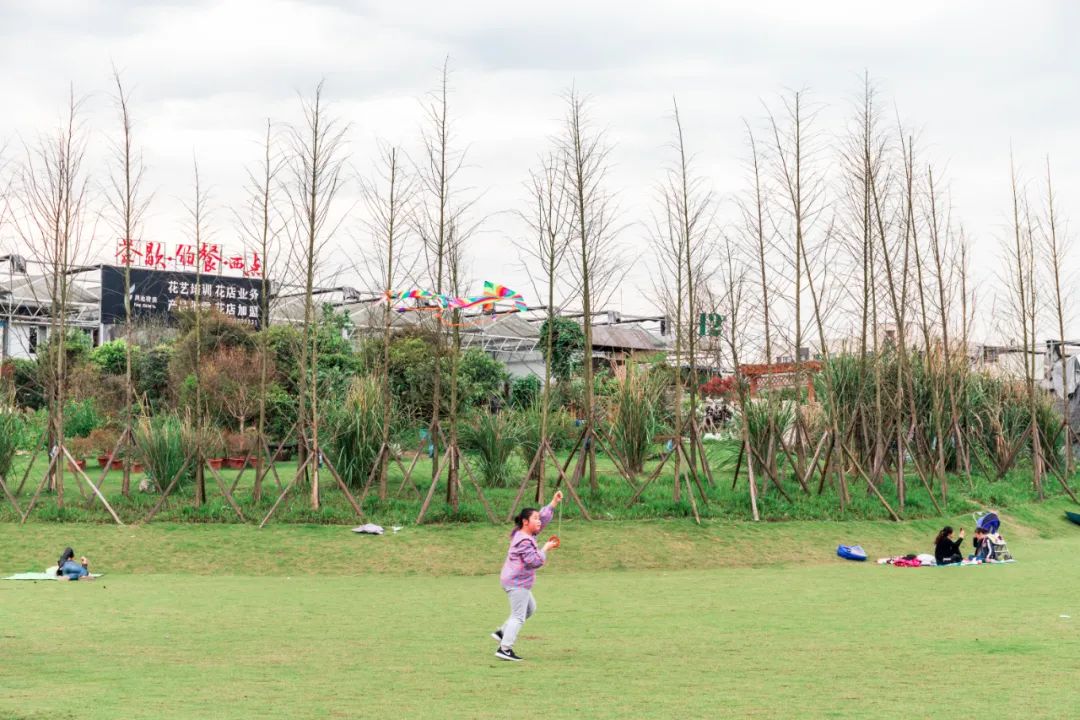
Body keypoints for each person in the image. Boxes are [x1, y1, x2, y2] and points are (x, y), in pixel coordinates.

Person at [492, 490, 563, 662]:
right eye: (535, 519)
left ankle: (502, 632)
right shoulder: (524, 540)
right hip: (517, 583)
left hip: (517, 581)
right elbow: (534, 561)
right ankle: (505, 649)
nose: (540, 521)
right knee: (519, 616)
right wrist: (545, 548)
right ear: (525, 522)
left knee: (530, 609)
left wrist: (553, 502)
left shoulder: (525, 533)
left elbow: (544, 519)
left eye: (539, 518)